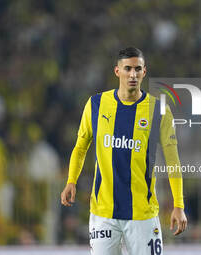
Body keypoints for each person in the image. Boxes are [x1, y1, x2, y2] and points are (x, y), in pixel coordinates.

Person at [61, 47, 187, 255]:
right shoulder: (96, 105)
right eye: (127, 68)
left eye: (138, 69)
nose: (133, 74)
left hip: (142, 214)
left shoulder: (159, 110)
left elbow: (173, 159)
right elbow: (81, 146)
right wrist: (71, 180)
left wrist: (178, 204)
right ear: (117, 71)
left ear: (144, 72)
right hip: (103, 213)